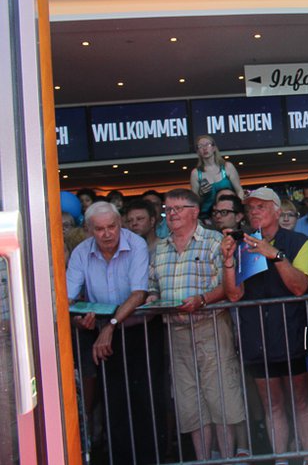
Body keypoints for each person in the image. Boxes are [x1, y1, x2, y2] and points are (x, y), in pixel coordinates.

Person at [219, 187, 308, 464]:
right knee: (271, 404)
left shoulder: (299, 241)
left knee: (301, 401)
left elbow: (300, 287)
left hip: (293, 333)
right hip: (257, 337)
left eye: (260, 207)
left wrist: (274, 255)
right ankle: (281, 459)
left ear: (277, 210)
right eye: (250, 208)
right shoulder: (242, 245)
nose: (253, 212)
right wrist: (228, 262)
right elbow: (234, 294)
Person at [147, 189, 247, 461]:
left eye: (178, 208)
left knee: (221, 397)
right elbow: (153, 285)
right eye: (169, 209)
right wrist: (154, 298)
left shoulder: (215, 242)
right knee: (190, 403)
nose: (172, 214)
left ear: (194, 211)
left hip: (211, 327)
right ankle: (204, 460)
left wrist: (202, 300)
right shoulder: (161, 248)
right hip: (176, 333)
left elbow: (228, 287)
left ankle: (226, 458)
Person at [66, 201, 152, 464]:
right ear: (89, 229)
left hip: (136, 330)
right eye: (99, 229)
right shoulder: (81, 252)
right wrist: (80, 320)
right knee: (110, 399)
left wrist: (111, 326)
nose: (107, 234)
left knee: (141, 399)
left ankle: (148, 458)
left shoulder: (136, 244)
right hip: (98, 328)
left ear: (120, 224)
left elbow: (139, 293)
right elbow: (68, 300)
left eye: (112, 227)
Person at [189, 134, 244, 218]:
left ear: (214, 148)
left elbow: (239, 190)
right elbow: (194, 202)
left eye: (208, 144)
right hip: (206, 217)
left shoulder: (227, 167)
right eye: (200, 146)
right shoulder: (196, 173)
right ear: (198, 152)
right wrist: (201, 195)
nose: (204, 148)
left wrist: (237, 209)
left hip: (228, 215)